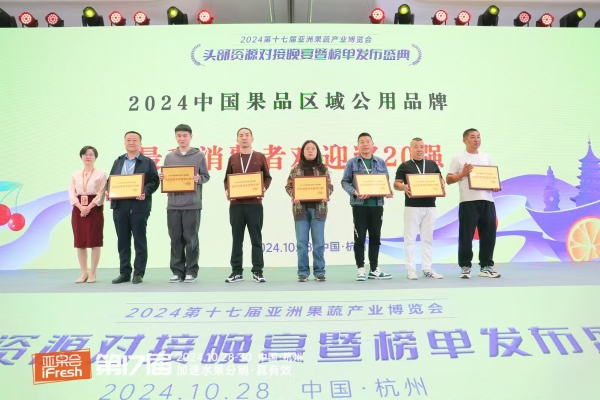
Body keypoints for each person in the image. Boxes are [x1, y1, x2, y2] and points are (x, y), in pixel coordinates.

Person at [446, 128, 502, 279]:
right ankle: (465, 267)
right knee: (466, 235)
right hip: (468, 201)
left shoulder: (486, 157)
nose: (476, 140)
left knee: (489, 235)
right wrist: (463, 173)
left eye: (478, 137)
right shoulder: (458, 158)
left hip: (487, 201)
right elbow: (449, 179)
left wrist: (495, 185)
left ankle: (486, 266)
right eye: (472, 137)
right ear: (464, 140)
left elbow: (490, 178)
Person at [159, 124, 210, 283]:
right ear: (176, 137)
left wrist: (198, 178)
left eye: (185, 135)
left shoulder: (199, 155)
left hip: (192, 204)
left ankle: (191, 271)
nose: (182, 138)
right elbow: (167, 177)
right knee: (175, 239)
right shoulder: (169, 157)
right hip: (173, 204)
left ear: (191, 137)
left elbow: (206, 176)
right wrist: (163, 178)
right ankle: (177, 271)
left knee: (191, 239)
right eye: (179, 136)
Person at [107, 131, 160, 284]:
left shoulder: (147, 162)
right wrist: (108, 191)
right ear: (124, 143)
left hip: (139, 206)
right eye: (128, 140)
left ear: (140, 143)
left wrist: (145, 191)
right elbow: (110, 180)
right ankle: (124, 273)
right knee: (122, 241)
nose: (131, 143)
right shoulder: (118, 161)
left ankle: (138, 273)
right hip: (119, 206)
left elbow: (154, 181)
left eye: (135, 140)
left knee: (139, 240)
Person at [341, 132, 393, 281]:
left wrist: (388, 191)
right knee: (360, 238)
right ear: (357, 145)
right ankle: (361, 269)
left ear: (372, 144)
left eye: (367, 141)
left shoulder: (380, 162)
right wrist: (355, 192)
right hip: (359, 206)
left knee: (375, 237)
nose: (365, 144)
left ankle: (374, 269)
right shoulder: (352, 163)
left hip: (377, 205)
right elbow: (345, 181)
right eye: (362, 142)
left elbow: (385, 181)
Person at [223, 128, 272, 283]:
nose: (244, 138)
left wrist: (263, 188)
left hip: (254, 205)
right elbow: (227, 179)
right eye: (241, 136)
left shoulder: (260, 157)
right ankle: (236, 271)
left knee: (256, 238)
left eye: (247, 135)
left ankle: (258, 271)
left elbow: (267, 177)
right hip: (236, 205)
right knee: (237, 239)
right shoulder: (233, 158)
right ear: (237, 140)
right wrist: (227, 190)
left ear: (252, 139)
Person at [394, 138, 444, 280]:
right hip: (412, 207)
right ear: (410, 149)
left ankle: (427, 268)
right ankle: (411, 270)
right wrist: (403, 186)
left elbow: (440, 179)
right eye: (415, 147)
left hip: (430, 206)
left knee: (428, 239)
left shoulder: (432, 164)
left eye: (421, 146)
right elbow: (396, 184)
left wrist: (441, 183)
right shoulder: (404, 166)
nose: (419, 149)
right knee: (410, 239)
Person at [285, 140, 334, 282]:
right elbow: (288, 186)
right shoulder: (295, 169)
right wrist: (293, 195)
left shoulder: (323, 169)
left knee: (318, 243)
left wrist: (326, 194)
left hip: (319, 210)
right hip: (300, 210)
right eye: (307, 149)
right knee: (301, 243)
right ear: (303, 152)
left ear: (317, 152)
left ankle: (319, 271)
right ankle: (303, 272)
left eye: (313, 148)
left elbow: (330, 187)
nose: (310, 151)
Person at [68, 146, 107, 284]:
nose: (88, 157)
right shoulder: (75, 174)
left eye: (91, 154)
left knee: (95, 241)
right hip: (78, 209)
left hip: (94, 208)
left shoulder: (101, 174)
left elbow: (101, 193)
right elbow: (71, 193)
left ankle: (93, 273)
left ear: (95, 157)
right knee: (80, 242)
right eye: (85, 154)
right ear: (81, 157)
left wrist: (89, 207)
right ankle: (83, 273)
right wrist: (80, 207)